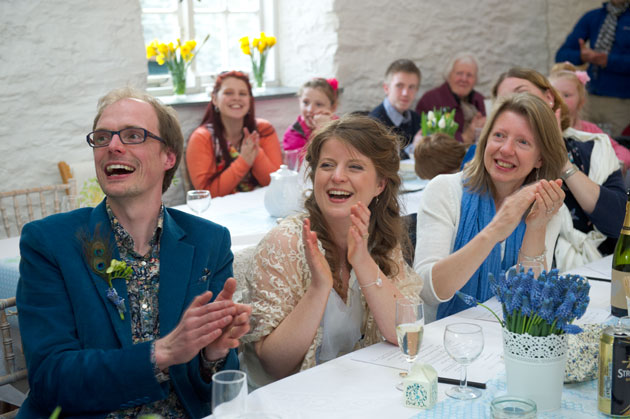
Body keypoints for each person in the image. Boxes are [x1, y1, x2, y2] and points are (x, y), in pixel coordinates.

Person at [16, 87, 252, 418]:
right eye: (102, 137)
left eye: (132, 135)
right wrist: (162, 352)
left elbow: (208, 392)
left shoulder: (208, 242)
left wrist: (210, 354)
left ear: (168, 157)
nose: (113, 146)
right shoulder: (50, 243)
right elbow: (50, 380)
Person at [240, 115, 423, 388]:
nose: (337, 176)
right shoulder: (285, 243)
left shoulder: (380, 238)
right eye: (327, 165)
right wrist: (319, 287)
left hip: (354, 390)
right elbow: (274, 366)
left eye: (355, 166)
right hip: (288, 400)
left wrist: (362, 262)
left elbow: (406, 335)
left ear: (380, 185)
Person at [414, 93, 567, 323]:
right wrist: (495, 230)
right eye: (499, 136)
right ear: (485, 140)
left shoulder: (547, 207)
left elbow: (530, 302)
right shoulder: (444, 190)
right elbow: (427, 291)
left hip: (505, 341)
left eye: (523, 142)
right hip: (443, 341)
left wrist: (536, 227)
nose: (505, 149)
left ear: (540, 159)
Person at [493, 67, 626, 270]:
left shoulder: (593, 147)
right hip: (523, 278)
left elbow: (618, 222)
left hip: (599, 272)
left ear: (549, 97)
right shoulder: (495, 157)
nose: (515, 104)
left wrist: (558, 156)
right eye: (504, 101)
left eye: (521, 93)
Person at [187, 70, 282, 197]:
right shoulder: (202, 138)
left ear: (250, 100)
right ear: (214, 99)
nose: (236, 98)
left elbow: (277, 185)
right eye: (228, 93)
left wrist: (256, 152)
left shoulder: (264, 130)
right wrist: (244, 161)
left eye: (243, 93)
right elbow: (206, 194)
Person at [555, 0, 630, 137]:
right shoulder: (593, 17)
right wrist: (582, 56)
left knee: (616, 147)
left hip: (621, 102)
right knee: (583, 143)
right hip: (589, 99)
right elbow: (562, 54)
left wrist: (608, 60)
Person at [549, 61, 630, 168]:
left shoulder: (590, 130)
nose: (560, 100)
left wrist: (617, 164)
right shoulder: (545, 128)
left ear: (581, 101)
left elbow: (620, 150)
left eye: (566, 95)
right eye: (554, 95)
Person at [415, 53, 487, 145]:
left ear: (475, 80)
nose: (464, 79)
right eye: (459, 73)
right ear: (449, 75)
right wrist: (465, 137)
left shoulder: (480, 101)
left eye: (469, 75)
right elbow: (425, 137)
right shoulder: (430, 100)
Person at [368, 59, 422, 159]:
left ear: (416, 90)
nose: (405, 93)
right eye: (399, 86)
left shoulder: (417, 119)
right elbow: (382, 161)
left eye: (411, 87)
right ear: (386, 88)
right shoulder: (374, 123)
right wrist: (413, 148)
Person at [283, 77, 339, 152]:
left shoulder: (341, 128)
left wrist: (325, 128)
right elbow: (302, 162)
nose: (310, 110)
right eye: (305, 102)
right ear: (299, 101)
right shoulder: (293, 132)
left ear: (333, 107)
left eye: (319, 104)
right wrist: (319, 131)